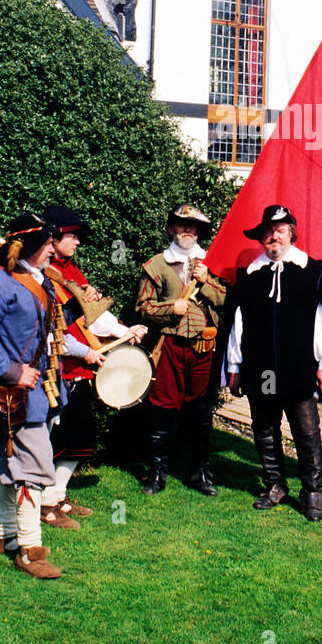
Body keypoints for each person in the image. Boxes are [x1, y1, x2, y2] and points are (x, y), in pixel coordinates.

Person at [225, 204, 322, 522]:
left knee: (306, 430)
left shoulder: (311, 270)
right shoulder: (250, 275)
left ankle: (313, 494)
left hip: (298, 366)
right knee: (265, 427)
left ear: (291, 234)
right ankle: (275, 485)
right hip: (262, 368)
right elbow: (238, 323)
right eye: (268, 231)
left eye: (279, 230)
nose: (273, 236)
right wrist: (235, 366)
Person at [0, 212, 67, 579]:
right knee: (34, 469)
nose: (54, 249)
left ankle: (3, 534)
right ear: (32, 246)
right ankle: (29, 549)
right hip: (11, 394)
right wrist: (13, 370)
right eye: (49, 243)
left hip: (33, 393)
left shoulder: (39, 280)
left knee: (16, 465)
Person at [40, 202, 147, 529]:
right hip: (54, 370)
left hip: (79, 370)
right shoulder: (40, 274)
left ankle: (58, 495)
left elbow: (93, 314)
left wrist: (123, 330)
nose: (78, 242)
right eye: (72, 236)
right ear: (54, 237)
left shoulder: (70, 271)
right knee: (48, 441)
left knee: (79, 437)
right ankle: (45, 505)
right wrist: (82, 350)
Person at [136, 203, 228, 496]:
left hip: (204, 348)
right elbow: (142, 308)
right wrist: (170, 308)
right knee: (162, 409)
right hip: (170, 347)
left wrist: (207, 282)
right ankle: (157, 471)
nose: (186, 230)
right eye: (180, 225)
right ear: (171, 229)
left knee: (201, 411)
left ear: (198, 231)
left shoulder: (213, 264)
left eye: (192, 226)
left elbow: (228, 300)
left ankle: (199, 472)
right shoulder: (156, 264)